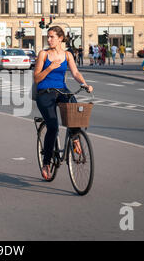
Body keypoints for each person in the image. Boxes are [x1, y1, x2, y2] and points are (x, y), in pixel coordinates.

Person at [33, 26, 93, 180]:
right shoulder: (43, 54)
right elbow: (37, 78)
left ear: (60, 38)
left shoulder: (67, 55)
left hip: (61, 90)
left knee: (75, 109)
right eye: (48, 37)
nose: (49, 39)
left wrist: (84, 84)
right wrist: (49, 68)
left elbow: (75, 72)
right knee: (53, 126)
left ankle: (75, 138)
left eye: (52, 36)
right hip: (44, 92)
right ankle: (46, 163)